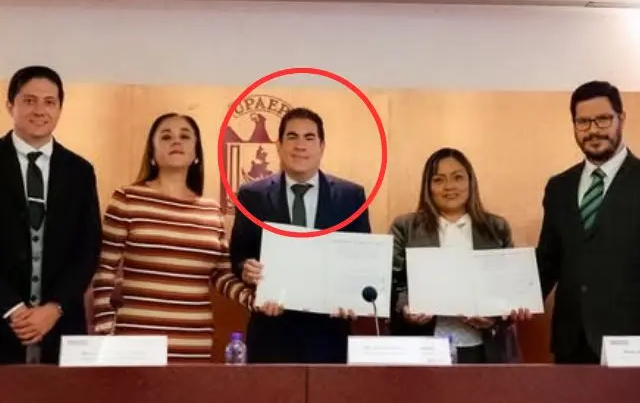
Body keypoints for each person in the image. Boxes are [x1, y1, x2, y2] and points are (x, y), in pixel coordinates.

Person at [92, 113, 255, 363]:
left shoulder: (211, 211)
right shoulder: (127, 199)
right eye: (166, 137)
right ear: (152, 153)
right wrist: (104, 334)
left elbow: (222, 276)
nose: (176, 141)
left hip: (194, 344)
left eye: (185, 136)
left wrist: (256, 300)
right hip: (137, 344)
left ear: (196, 153)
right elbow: (105, 271)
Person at [229, 107, 371, 363]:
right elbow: (239, 257)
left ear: (322, 146)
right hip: (271, 330)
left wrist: (352, 297)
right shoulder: (252, 196)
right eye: (292, 136)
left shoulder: (351, 197)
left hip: (329, 333)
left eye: (309, 137)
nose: (300, 146)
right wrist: (246, 269)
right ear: (279, 145)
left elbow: (361, 260)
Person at [0, 65, 102, 364]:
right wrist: (12, 308)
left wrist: (55, 307)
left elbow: (88, 249)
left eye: (49, 102)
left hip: (61, 326)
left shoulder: (80, 171)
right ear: (10, 105)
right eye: (29, 100)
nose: (39, 110)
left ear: (59, 108)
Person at [535, 80, 640, 364]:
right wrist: (504, 307)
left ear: (621, 119)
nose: (593, 130)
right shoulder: (559, 187)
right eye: (583, 122)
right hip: (571, 344)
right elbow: (547, 262)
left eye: (603, 119)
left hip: (631, 344)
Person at [388, 148, 520, 363]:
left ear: (471, 182)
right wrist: (406, 308)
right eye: (438, 180)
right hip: (423, 348)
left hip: (484, 350)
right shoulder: (406, 227)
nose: (449, 186)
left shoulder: (496, 228)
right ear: (428, 187)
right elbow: (392, 283)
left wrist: (494, 317)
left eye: (458, 177)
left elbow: (509, 287)